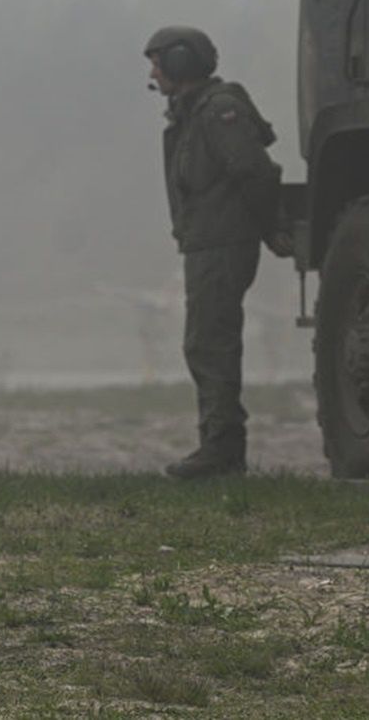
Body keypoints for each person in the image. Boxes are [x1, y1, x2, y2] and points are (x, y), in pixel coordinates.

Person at [144, 26, 288, 480]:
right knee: (206, 344)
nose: (153, 72)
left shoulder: (219, 110)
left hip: (224, 245)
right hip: (208, 244)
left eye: (158, 61)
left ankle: (222, 451)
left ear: (181, 64)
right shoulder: (193, 114)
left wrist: (269, 231)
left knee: (210, 345)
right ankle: (219, 447)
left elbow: (253, 172)